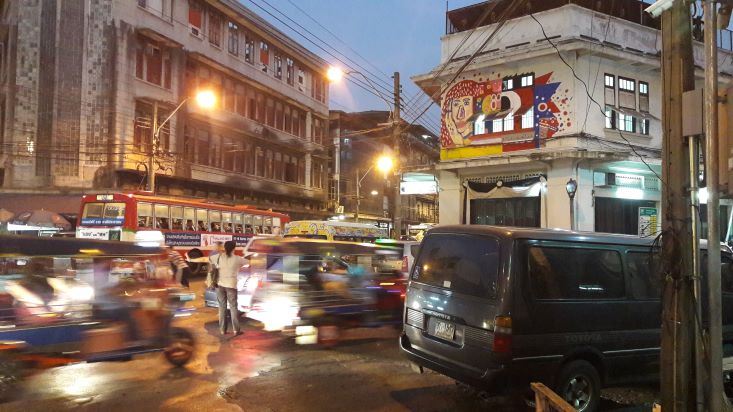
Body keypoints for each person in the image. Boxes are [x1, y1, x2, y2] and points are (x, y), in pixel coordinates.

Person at [216, 240, 246, 335]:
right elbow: (254, 261)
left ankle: (222, 330)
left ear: (224, 248)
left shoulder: (219, 257)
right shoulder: (237, 259)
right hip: (231, 285)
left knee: (222, 307)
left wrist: (190, 259)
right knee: (233, 307)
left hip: (220, 285)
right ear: (234, 248)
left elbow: (204, 259)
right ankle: (236, 330)